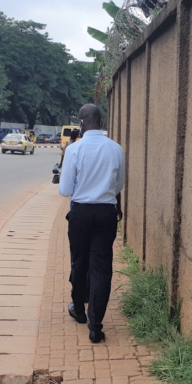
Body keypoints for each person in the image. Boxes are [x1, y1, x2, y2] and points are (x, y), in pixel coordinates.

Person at [58, 104, 125, 343]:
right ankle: (95, 325)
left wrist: (83, 188)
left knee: (80, 261)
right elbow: (119, 185)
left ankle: (78, 309)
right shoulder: (115, 148)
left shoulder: (75, 149)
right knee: (101, 267)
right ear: (102, 121)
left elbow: (65, 189)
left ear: (81, 123)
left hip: (81, 213)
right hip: (106, 213)